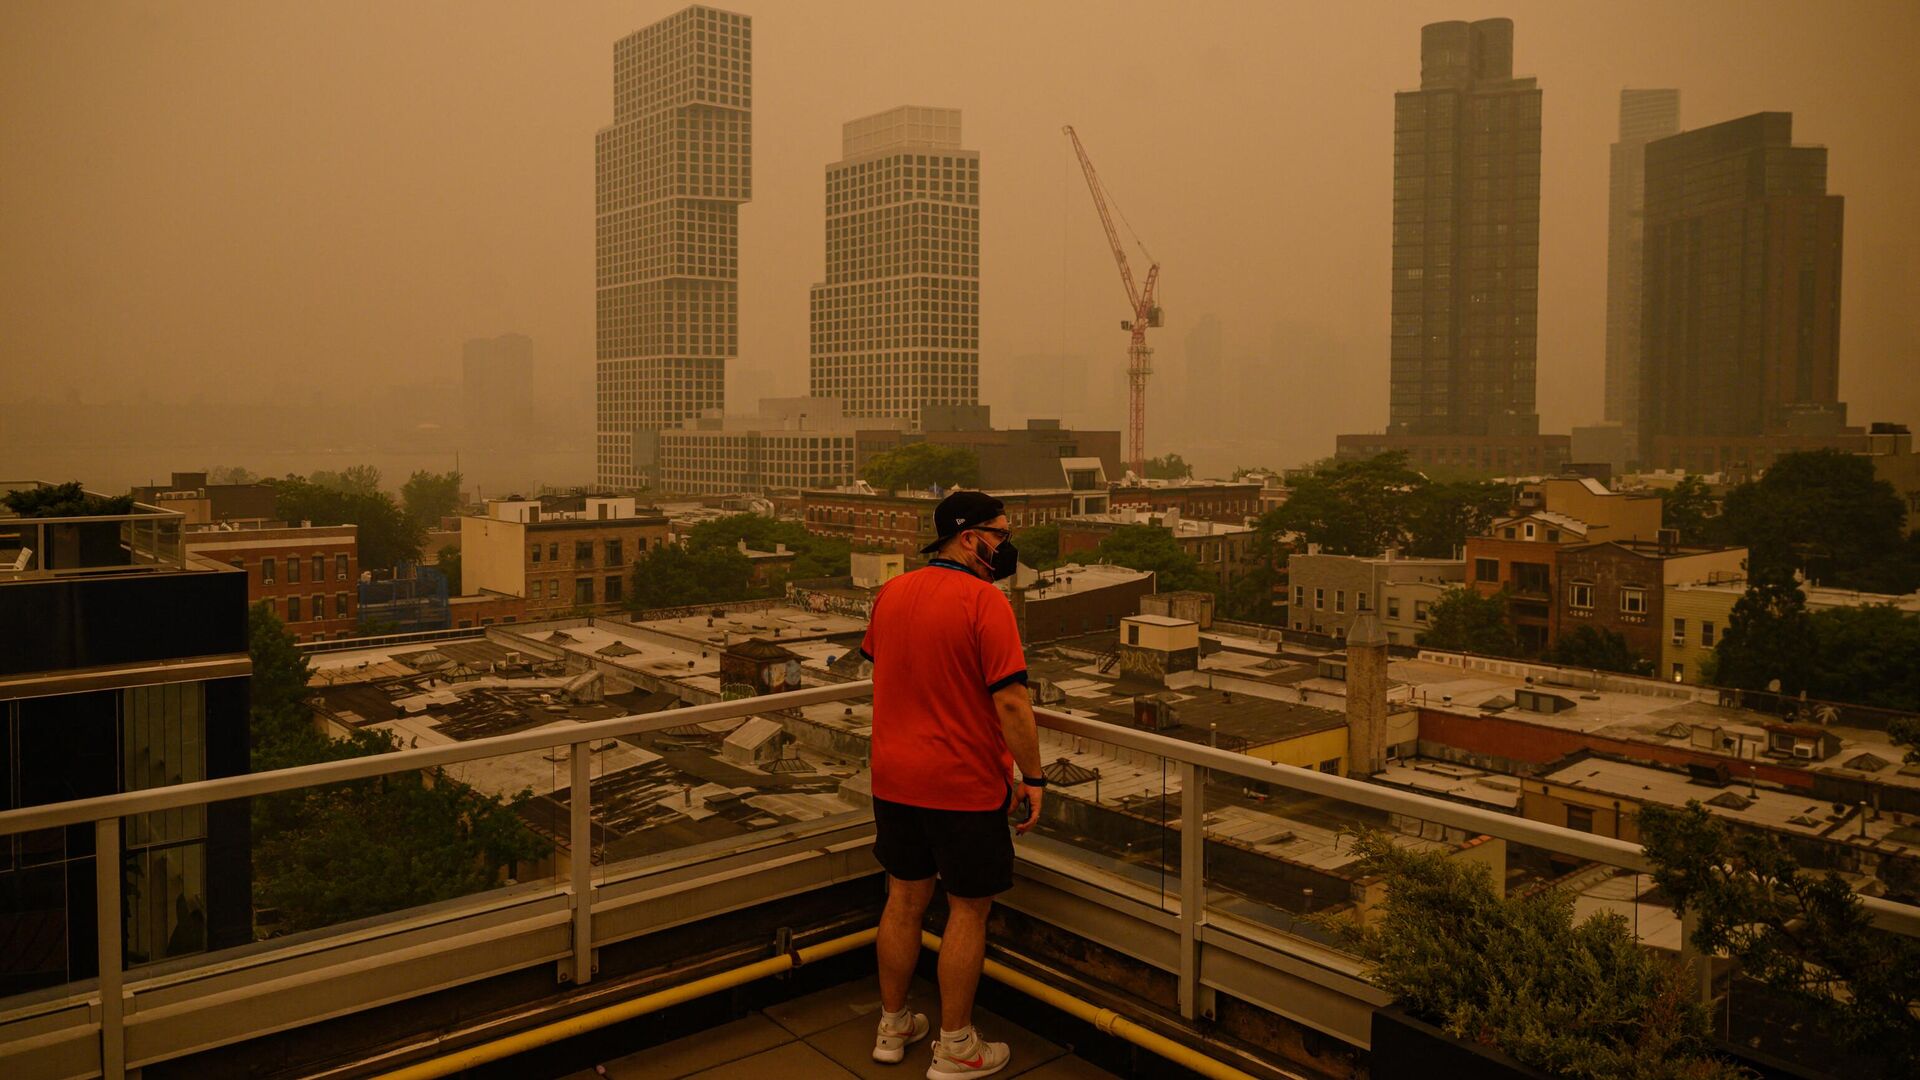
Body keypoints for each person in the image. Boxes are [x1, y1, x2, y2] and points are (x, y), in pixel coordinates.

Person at [860, 490, 1046, 1079]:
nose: (1006, 545)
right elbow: (1012, 703)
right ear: (970, 538)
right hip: (961, 784)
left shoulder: (891, 593)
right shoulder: (985, 601)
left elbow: (892, 669)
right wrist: (1033, 776)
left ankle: (893, 1026)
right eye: (1001, 533)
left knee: (903, 900)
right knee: (967, 911)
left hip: (893, 776)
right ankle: (956, 1046)